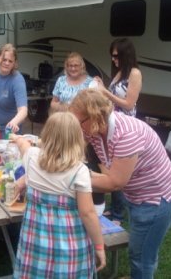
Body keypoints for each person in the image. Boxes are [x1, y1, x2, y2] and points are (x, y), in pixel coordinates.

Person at [70, 89, 171, 279]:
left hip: (158, 199)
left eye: (78, 122)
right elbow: (81, 151)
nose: (77, 127)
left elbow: (115, 183)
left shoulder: (127, 135)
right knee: (145, 248)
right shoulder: (94, 129)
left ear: (95, 118)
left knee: (140, 256)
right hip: (138, 195)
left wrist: (71, 177)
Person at [11, 112, 106, 278]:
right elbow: (88, 213)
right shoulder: (79, 171)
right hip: (69, 245)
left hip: (36, 242)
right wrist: (99, 246)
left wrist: (15, 136)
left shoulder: (32, 157)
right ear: (77, 138)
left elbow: (22, 144)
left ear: (45, 135)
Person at [50, 52, 105, 215]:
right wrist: (63, 108)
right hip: (63, 128)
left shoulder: (90, 83)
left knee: (84, 160)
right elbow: (53, 103)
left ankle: (88, 196)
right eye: (70, 65)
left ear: (82, 67)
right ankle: (66, 191)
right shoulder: (60, 81)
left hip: (83, 130)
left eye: (76, 65)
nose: (73, 68)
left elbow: (96, 106)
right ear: (66, 67)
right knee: (64, 158)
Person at [95, 37, 143, 224]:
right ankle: (115, 210)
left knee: (119, 173)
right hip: (113, 126)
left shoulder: (135, 74)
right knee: (111, 169)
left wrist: (104, 91)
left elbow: (129, 104)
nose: (113, 59)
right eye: (112, 56)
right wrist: (101, 87)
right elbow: (110, 97)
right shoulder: (119, 72)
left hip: (127, 129)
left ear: (125, 54)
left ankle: (118, 215)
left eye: (116, 55)